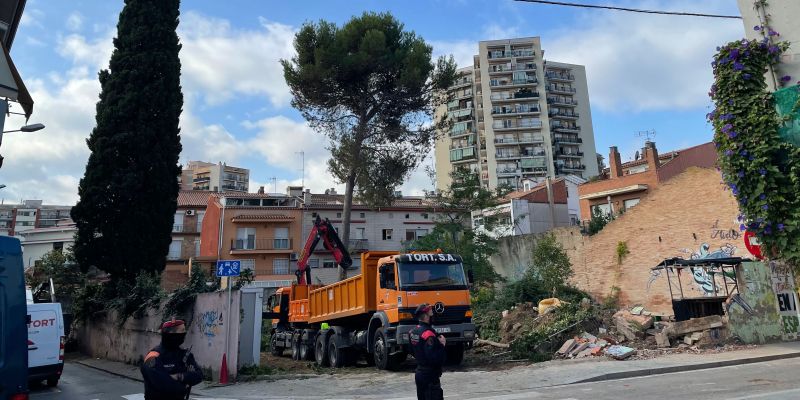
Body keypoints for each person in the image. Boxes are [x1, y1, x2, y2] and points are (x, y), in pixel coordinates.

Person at [141, 318, 203, 400]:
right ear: (171, 334)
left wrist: (179, 376)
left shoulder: (185, 355)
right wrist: (184, 385)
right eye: (182, 331)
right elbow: (163, 385)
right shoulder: (153, 356)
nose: (184, 333)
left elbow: (199, 375)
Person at [410, 303, 446, 400]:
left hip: (419, 373)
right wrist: (442, 345)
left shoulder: (413, 331)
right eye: (431, 314)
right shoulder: (428, 334)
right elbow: (434, 357)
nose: (432, 316)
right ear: (426, 316)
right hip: (430, 376)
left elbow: (413, 350)